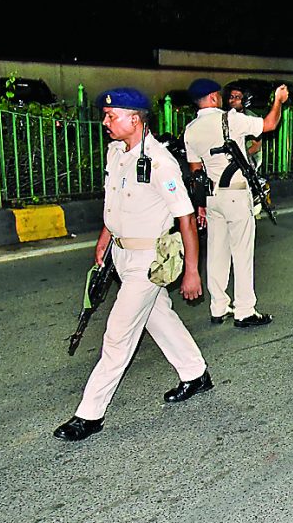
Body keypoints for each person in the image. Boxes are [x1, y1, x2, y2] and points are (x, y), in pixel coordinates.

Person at [53, 88, 211, 442]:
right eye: (105, 115)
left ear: (135, 119)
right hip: (122, 254)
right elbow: (115, 203)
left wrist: (192, 271)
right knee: (158, 316)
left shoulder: (159, 162)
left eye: (112, 116)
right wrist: (105, 238)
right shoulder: (116, 152)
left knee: (117, 335)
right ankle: (195, 373)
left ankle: (89, 414)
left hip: (149, 261)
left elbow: (186, 218)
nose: (105, 122)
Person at [184, 77, 288, 328]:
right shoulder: (230, 119)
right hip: (236, 193)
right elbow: (270, 124)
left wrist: (201, 205)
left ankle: (218, 307)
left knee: (217, 253)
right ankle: (244, 310)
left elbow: (196, 171)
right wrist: (278, 101)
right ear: (212, 97)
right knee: (242, 253)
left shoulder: (191, 130)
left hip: (212, 198)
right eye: (219, 95)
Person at [225, 82, 263, 158]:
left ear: (245, 100)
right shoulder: (227, 116)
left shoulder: (250, 117)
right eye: (231, 97)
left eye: (237, 97)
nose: (233, 100)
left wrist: (240, 158)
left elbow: (256, 146)